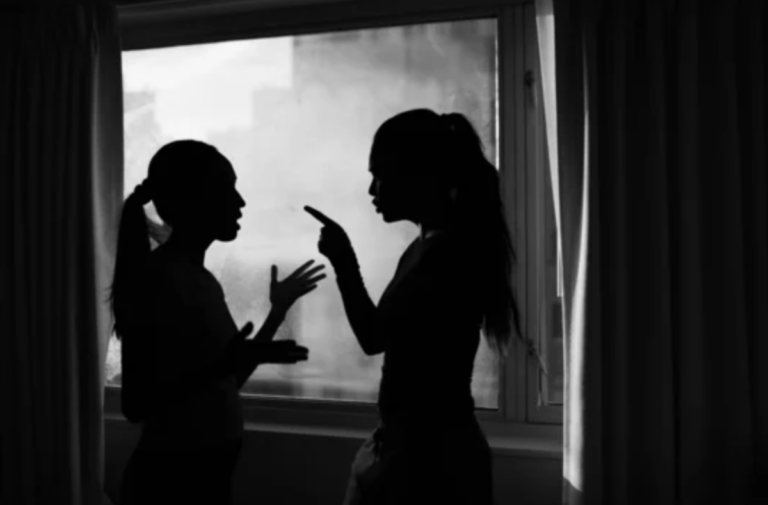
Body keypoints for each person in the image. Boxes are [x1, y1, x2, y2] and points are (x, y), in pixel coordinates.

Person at [305, 109, 524, 505]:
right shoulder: (429, 247)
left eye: (379, 174)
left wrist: (344, 261)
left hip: (427, 461)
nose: (371, 189)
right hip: (423, 449)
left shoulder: (443, 255)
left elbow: (373, 337)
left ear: (416, 174)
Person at [111, 140, 326, 505]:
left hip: (203, 478)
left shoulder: (199, 279)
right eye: (227, 189)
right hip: (169, 486)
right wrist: (222, 365)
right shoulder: (161, 279)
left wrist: (277, 312)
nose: (240, 202)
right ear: (192, 200)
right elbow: (136, 403)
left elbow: (224, 380)